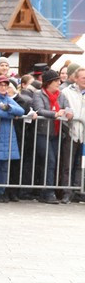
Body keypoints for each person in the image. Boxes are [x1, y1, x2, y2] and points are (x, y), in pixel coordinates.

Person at [31, 68, 72, 203]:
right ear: (48, 83)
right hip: (42, 133)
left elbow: (67, 107)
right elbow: (39, 109)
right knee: (50, 161)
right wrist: (54, 114)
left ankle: (45, 191)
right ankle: (48, 192)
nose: (58, 83)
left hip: (56, 133)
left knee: (52, 162)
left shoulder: (61, 95)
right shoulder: (39, 94)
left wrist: (69, 113)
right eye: (56, 81)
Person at [0, 76, 25, 201]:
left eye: (5, 85)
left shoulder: (8, 99)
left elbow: (21, 110)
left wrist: (9, 108)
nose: (3, 88)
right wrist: (12, 115)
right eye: (1, 85)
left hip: (8, 136)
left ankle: (2, 191)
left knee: (4, 167)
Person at [60, 65, 85, 200]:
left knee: (81, 165)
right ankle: (67, 192)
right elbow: (63, 109)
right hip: (71, 131)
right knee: (67, 165)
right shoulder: (66, 92)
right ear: (75, 79)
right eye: (83, 78)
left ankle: (78, 191)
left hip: (84, 133)